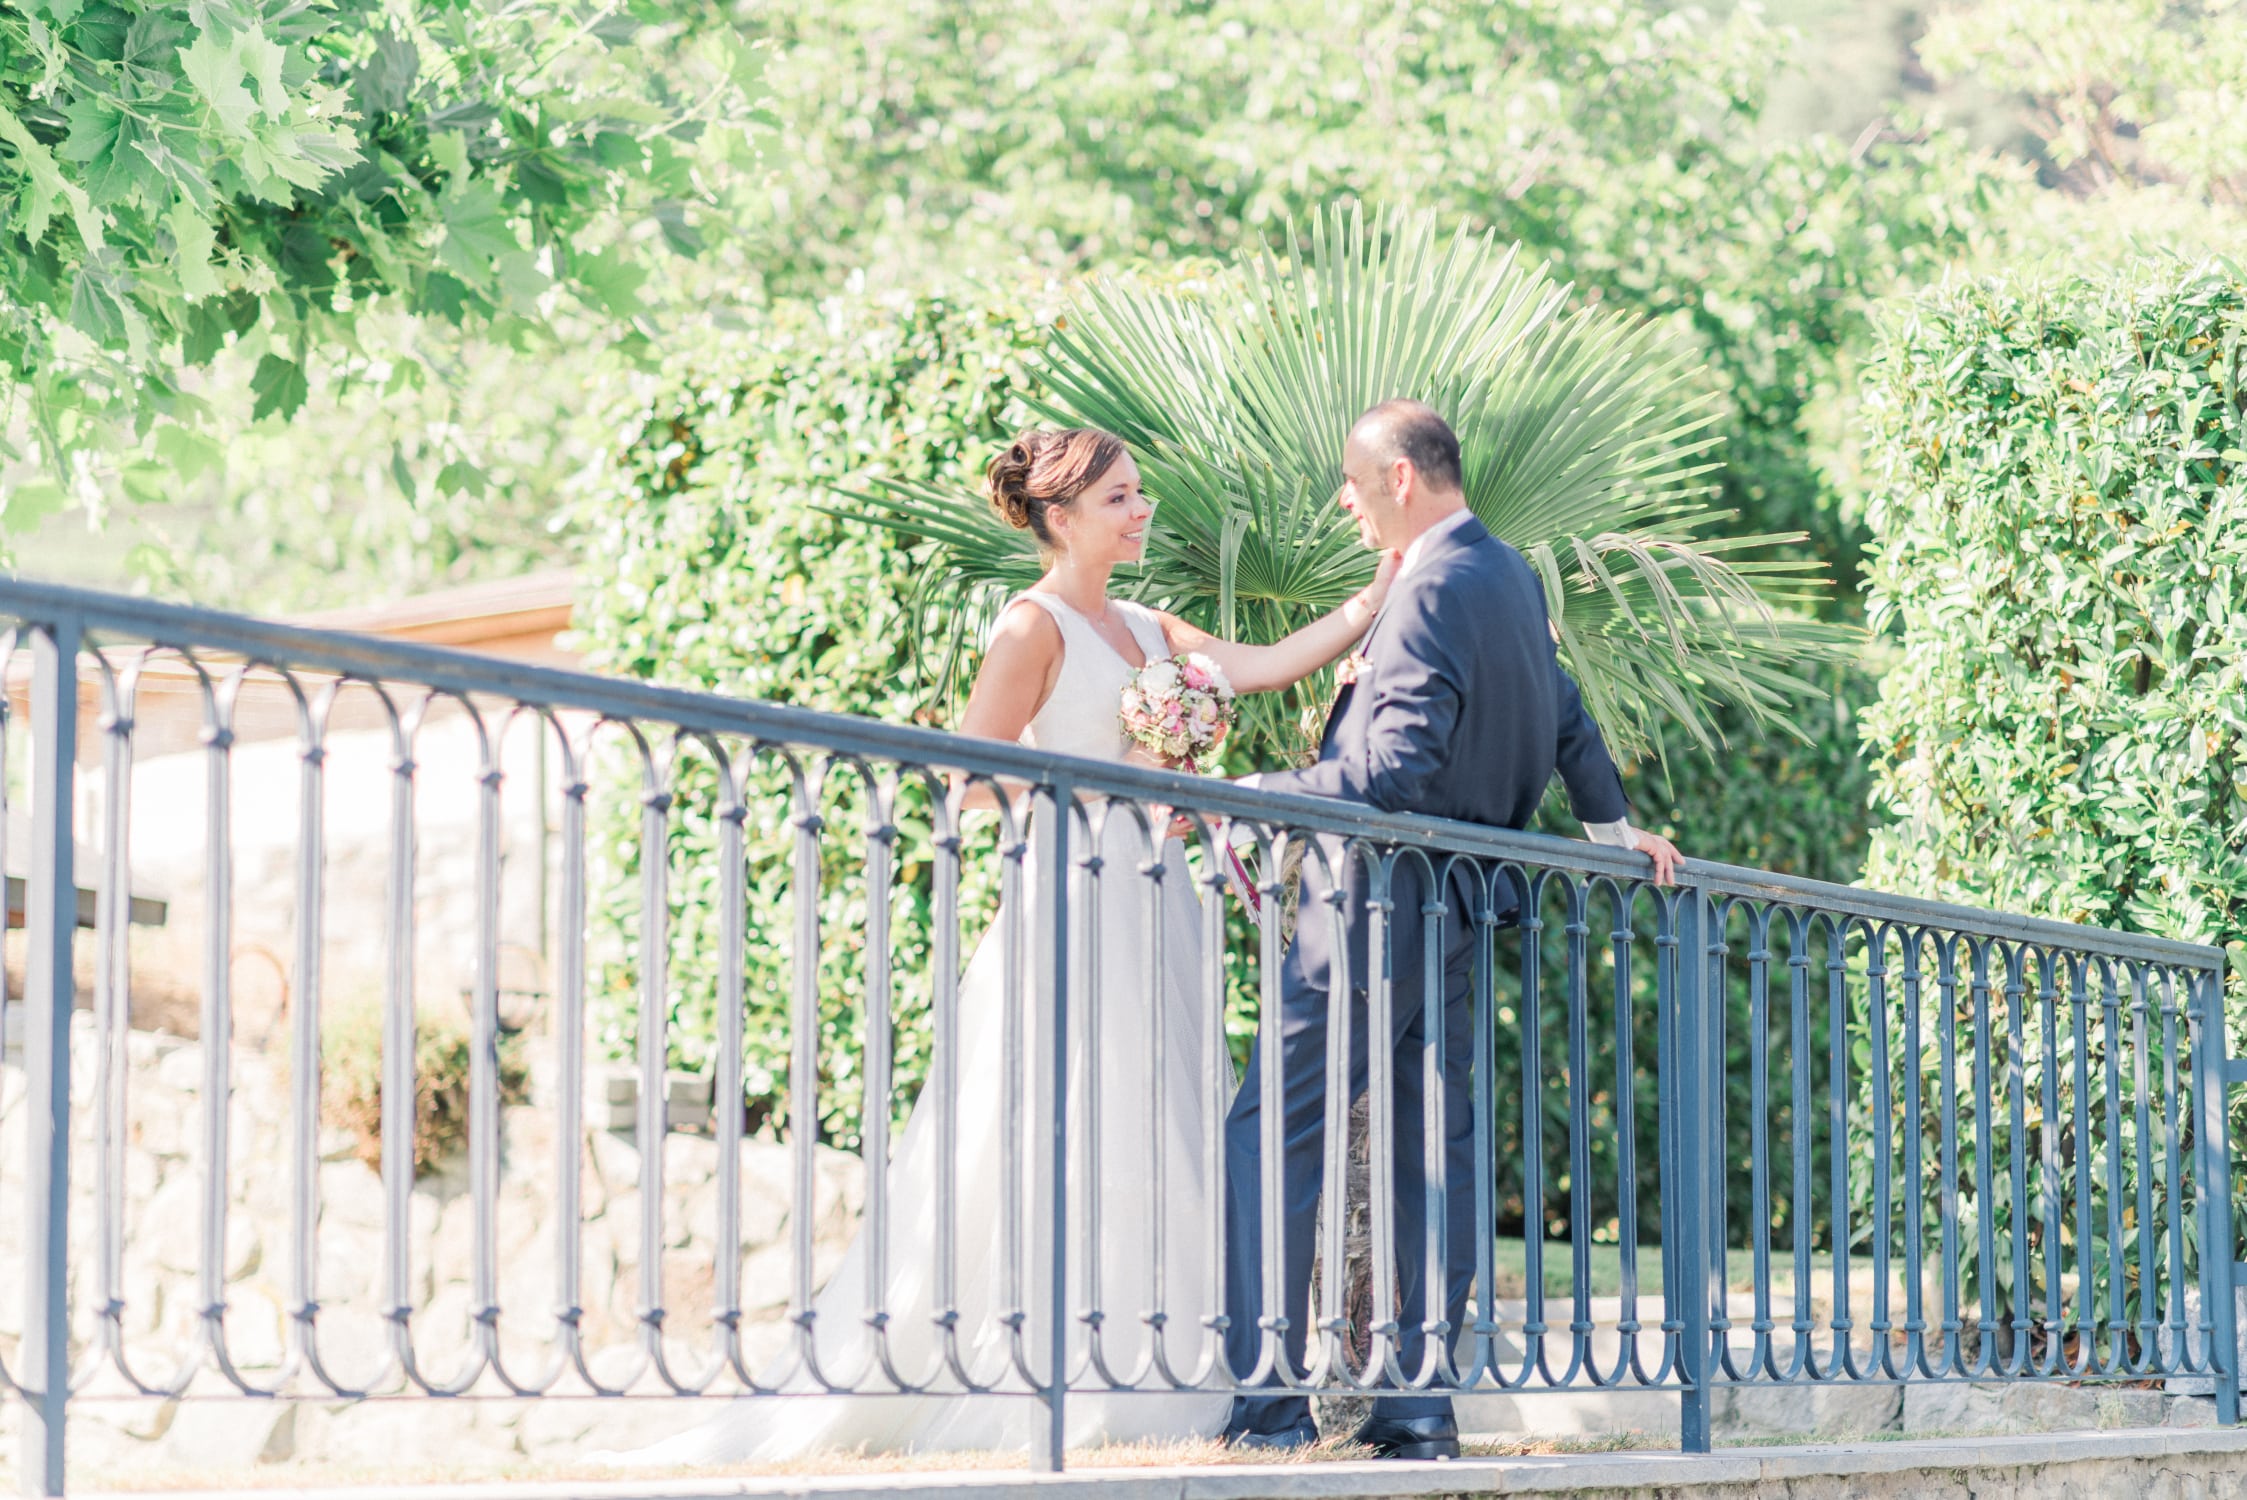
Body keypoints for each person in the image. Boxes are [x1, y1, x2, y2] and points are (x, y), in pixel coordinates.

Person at [626, 426, 1395, 1462]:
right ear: (1063, 517)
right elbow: (968, 776)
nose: (1141, 512)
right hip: (1073, 891)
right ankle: (1059, 1363)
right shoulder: (1030, 628)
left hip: (1160, 893)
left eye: (1138, 495)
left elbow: (1262, 665)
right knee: (1071, 1110)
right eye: (1121, 499)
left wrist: (1378, 591)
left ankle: (1171, 1359)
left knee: (1164, 1103)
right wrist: (1119, 771)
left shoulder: (1143, 624)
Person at [1218, 399, 1683, 1461]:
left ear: (1398, 478)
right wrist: (1612, 828)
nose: (1343, 500)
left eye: (1350, 480)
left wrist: (1261, 788)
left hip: (1375, 903)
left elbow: (1392, 773)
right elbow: (1564, 714)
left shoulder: (1428, 585)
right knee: (1436, 1150)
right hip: (1462, 905)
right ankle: (1419, 1416)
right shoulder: (1507, 572)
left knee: (1271, 1132)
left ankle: (1270, 1408)